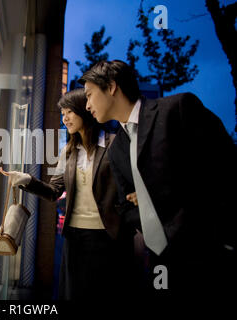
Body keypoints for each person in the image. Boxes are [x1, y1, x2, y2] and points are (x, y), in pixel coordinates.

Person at [80, 60, 236, 295]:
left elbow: (223, 166)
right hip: (160, 256)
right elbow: (125, 205)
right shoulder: (117, 148)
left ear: (111, 86)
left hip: (206, 248)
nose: (88, 105)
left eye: (90, 95)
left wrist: (150, 196)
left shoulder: (177, 109)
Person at [1, 89, 135, 299]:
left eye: (70, 112)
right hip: (75, 236)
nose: (65, 118)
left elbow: (131, 184)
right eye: (63, 114)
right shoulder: (69, 152)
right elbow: (54, 191)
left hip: (108, 236)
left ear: (85, 110)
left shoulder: (115, 144)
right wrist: (27, 180)